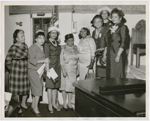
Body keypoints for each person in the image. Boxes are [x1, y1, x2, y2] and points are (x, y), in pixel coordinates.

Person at [5, 29, 30, 117]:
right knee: (16, 92)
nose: (23, 37)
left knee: (25, 89)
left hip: (25, 72)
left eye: (24, 35)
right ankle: (17, 107)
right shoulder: (13, 47)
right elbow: (7, 61)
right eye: (21, 36)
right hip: (16, 73)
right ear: (16, 39)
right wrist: (13, 70)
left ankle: (23, 104)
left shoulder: (26, 46)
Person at [102, 8, 130, 78]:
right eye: (112, 17)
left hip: (117, 55)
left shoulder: (123, 27)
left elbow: (123, 43)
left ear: (120, 18)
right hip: (109, 56)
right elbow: (107, 42)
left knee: (117, 77)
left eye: (116, 17)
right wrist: (104, 54)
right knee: (109, 75)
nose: (113, 19)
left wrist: (118, 55)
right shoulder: (110, 28)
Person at [28, 30, 49, 117]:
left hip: (39, 70)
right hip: (33, 70)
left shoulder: (41, 47)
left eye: (43, 38)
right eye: (39, 38)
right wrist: (43, 60)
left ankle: (33, 105)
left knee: (38, 88)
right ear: (36, 39)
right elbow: (31, 60)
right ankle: (35, 108)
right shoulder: (32, 47)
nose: (42, 40)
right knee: (38, 88)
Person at [44, 26, 61, 113]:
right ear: (49, 34)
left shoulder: (57, 43)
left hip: (57, 67)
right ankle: (49, 104)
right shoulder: (47, 43)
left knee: (55, 87)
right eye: (52, 33)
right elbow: (46, 57)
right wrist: (47, 69)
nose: (54, 34)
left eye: (56, 33)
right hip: (50, 67)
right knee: (50, 87)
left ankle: (54, 103)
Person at [60, 34, 78, 110]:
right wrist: (64, 71)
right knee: (64, 87)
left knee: (71, 87)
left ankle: (70, 103)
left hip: (74, 69)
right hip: (66, 69)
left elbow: (78, 59)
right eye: (68, 40)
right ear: (66, 41)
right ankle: (64, 103)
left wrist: (78, 70)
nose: (70, 42)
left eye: (72, 40)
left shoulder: (76, 47)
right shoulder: (63, 48)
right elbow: (61, 61)